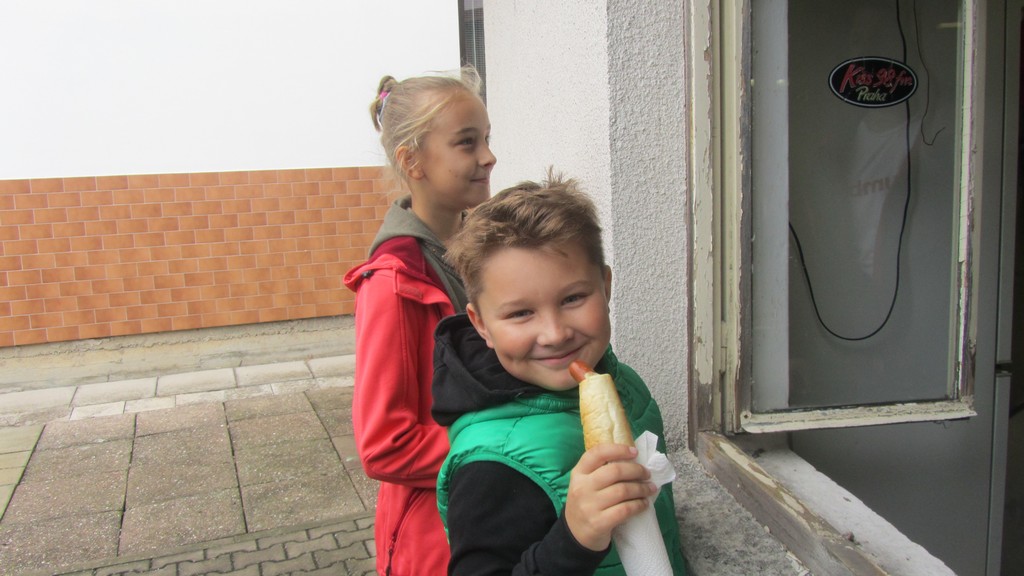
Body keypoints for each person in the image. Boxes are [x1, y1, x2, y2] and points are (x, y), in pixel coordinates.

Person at [431, 172, 687, 575]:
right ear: (481, 325)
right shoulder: (491, 465)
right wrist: (575, 538)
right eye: (521, 313)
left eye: (572, 298)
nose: (555, 334)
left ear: (606, 286)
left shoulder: (623, 381)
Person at [343, 66, 496, 576]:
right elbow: (384, 445)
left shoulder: (483, 248)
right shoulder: (393, 282)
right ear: (413, 161)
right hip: (436, 542)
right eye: (467, 142)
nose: (488, 156)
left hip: (491, 515)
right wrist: (503, 443)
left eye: (487, 138)